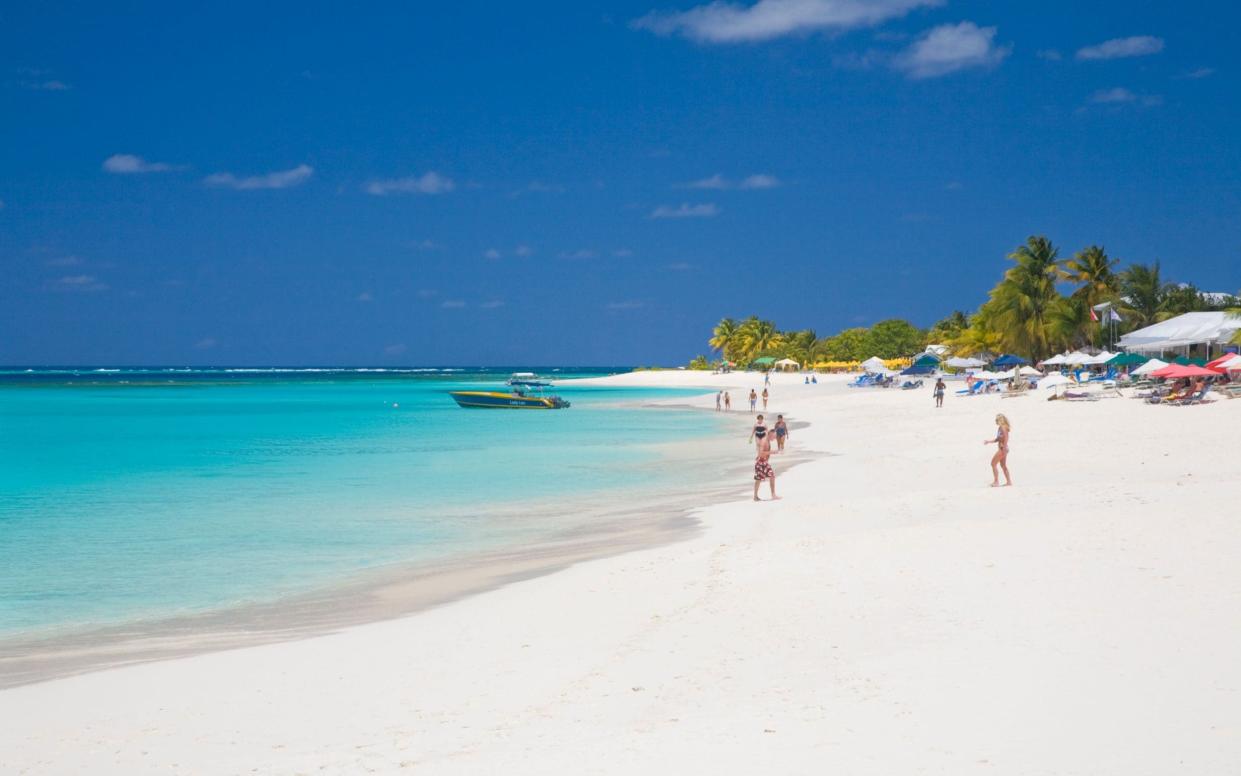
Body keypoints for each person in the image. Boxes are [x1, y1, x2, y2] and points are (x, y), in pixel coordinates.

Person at [984, 413, 1012, 487]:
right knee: (1003, 465)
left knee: (993, 464)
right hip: (1003, 448)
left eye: (997, 420)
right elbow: (998, 439)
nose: (995, 421)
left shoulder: (1003, 428)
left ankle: (996, 482)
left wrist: (1004, 448)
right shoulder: (1000, 428)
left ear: (1001, 420)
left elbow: (1006, 438)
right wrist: (989, 441)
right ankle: (1009, 482)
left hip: (1003, 449)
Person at [752, 427, 779, 501]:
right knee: (767, 477)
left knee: (760, 479)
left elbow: (760, 452)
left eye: (775, 437)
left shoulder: (767, 440)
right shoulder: (764, 441)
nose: (775, 438)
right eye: (774, 436)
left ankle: (755, 496)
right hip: (761, 462)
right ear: (770, 434)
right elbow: (761, 453)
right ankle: (772, 495)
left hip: (763, 462)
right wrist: (772, 452)